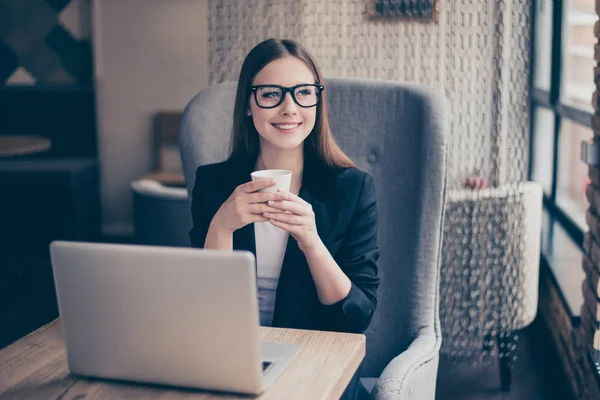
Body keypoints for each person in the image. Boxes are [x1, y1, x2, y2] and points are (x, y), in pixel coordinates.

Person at [189, 38, 379, 400]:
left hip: (316, 365)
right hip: (230, 362)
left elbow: (356, 317)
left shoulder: (352, 189)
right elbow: (203, 311)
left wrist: (311, 241)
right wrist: (222, 225)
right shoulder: (213, 184)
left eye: (304, 92)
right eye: (271, 93)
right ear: (248, 104)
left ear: (318, 101)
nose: (289, 108)